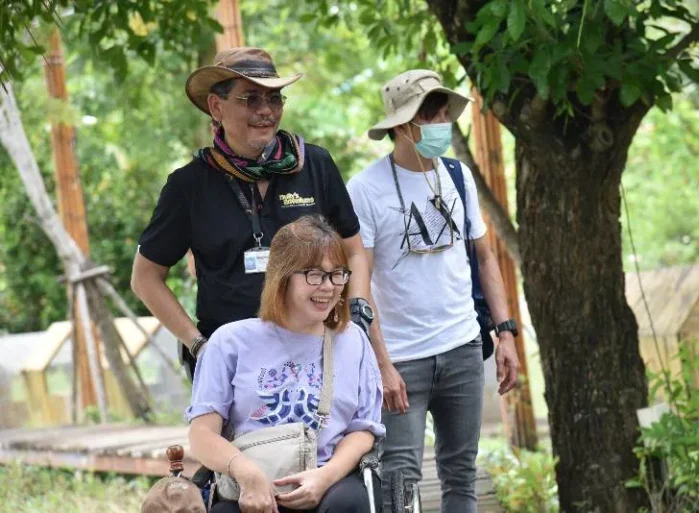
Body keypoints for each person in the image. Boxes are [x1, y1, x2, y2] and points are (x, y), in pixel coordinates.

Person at [131, 47, 380, 379]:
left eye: (275, 99)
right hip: (235, 363)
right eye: (250, 99)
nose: (266, 111)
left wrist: (358, 309)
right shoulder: (188, 185)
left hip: (317, 352)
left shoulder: (315, 165)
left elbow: (354, 251)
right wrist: (200, 346)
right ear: (216, 107)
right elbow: (145, 277)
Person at [346, 70, 522, 513]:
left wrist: (505, 334)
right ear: (403, 126)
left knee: (461, 475)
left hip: (462, 348)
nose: (443, 121)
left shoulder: (458, 177)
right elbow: (358, 281)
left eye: (445, 111)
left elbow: (485, 259)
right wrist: (380, 362)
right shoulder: (366, 189)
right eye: (431, 113)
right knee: (400, 484)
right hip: (401, 358)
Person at [186, 215, 385, 513]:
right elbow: (202, 435)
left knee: (349, 503)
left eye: (337, 275)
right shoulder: (229, 342)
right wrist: (248, 474)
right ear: (282, 276)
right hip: (251, 482)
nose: (329, 287)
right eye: (315, 275)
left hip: (329, 480)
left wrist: (324, 477)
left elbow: (363, 430)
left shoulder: (353, 340)